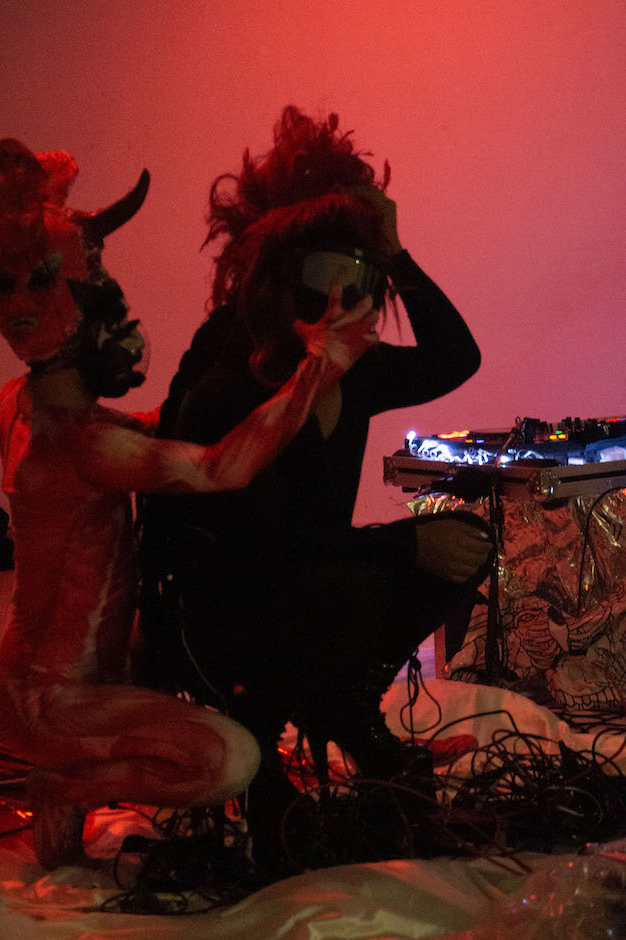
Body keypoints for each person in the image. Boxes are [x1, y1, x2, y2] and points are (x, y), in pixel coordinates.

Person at [0, 135, 376, 868]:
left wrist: (220, 362)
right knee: (228, 759)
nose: (20, 304)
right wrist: (319, 368)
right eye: (9, 284)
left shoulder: (23, 404)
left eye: (40, 280)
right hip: (51, 696)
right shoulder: (85, 445)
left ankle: (68, 807)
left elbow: (144, 432)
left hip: (55, 678)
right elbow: (221, 468)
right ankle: (67, 789)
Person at [140, 107, 493, 865]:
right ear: (277, 277)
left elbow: (456, 358)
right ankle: (256, 745)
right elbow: (260, 544)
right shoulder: (233, 374)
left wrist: (396, 251)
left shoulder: (353, 370)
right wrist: (397, 546)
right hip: (219, 615)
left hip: (306, 585)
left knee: (463, 541)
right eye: (319, 276)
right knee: (357, 586)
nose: (339, 298)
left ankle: (344, 704)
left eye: (358, 279)